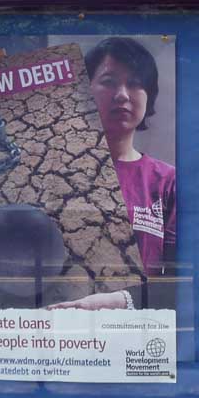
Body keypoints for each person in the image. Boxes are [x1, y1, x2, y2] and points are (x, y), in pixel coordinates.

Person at [49, 37, 176, 310]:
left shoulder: (166, 181)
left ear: (149, 95)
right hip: (57, 332)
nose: (122, 94)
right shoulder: (52, 172)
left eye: (135, 83)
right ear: (85, 90)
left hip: (136, 333)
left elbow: (180, 280)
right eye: (109, 81)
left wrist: (119, 301)